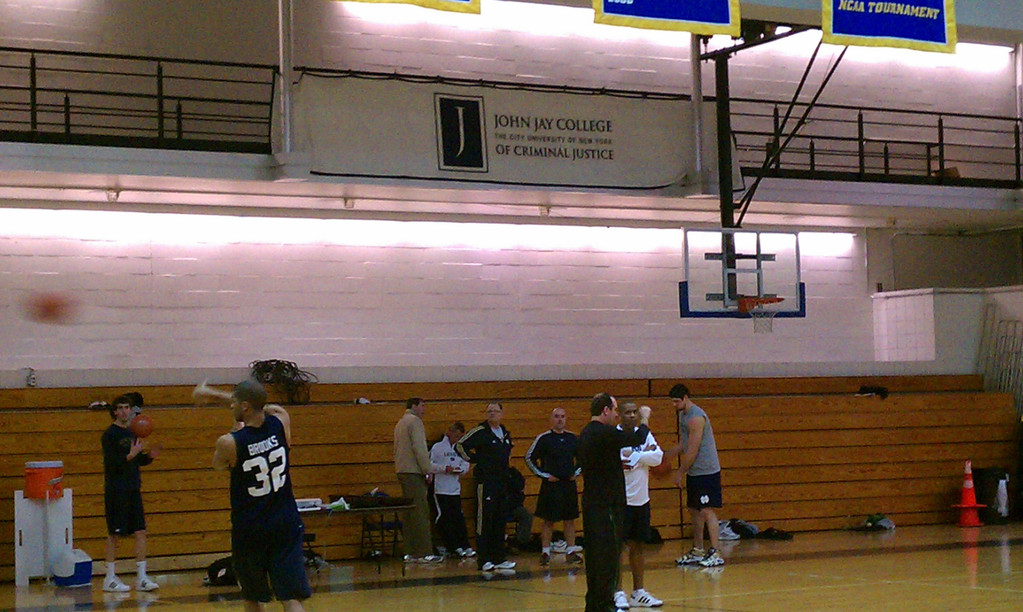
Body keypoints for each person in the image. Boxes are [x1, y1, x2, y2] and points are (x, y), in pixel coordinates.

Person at [198, 379, 312, 612]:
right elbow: (262, 406)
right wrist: (216, 396)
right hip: (285, 522)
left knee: (252, 598)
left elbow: (218, 465)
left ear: (245, 406)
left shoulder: (229, 442)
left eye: (234, 402)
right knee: (292, 598)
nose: (231, 405)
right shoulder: (281, 419)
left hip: (251, 528)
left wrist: (211, 396)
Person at [576, 393, 649, 612]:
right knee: (607, 558)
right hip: (606, 505)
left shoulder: (588, 433)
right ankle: (604, 604)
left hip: (593, 503)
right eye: (615, 410)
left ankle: (595, 604)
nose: (617, 415)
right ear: (605, 410)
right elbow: (637, 438)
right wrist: (644, 418)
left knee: (596, 558)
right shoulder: (602, 432)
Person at [101, 394, 160, 593]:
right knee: (114, 534)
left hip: (133, 488)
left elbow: (137, 460)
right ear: (115, 412)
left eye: (127, 407)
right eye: (121, 407)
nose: (125, 411)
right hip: (116, 490)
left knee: (140, 531)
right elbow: (112, 463)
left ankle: (141, 577)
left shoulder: (133, 432)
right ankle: (110, 578)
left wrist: (148, 457)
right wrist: (130, 455)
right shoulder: (109, 435)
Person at [664, 383, 725, 568]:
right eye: (672, 402)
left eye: (676, 401)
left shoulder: (696, 417)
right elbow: (684, 443)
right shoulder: (682, 415)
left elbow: (693, 449)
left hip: (706, 470)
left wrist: (679, 472)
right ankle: (698, 550)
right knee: (694, 509)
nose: (674, 405)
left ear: (685, 398)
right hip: (695, 470)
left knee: (706, 510)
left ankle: (716, 552)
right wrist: (665, 455)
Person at [456, 402, 516, 572]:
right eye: (489, 411)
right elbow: (460, 445)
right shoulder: (480, 431)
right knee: (485, 520)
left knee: (499, 519)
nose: (492, 414)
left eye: (495, 411)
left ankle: (499, 558)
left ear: (501, 414)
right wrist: (475, 459)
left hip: (502, 482)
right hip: (486, 482)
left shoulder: (505, 433)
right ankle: (484, 559)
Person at [614, 403, 664, 609]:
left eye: (635, 412)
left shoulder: (644, 434)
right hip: (621, 501)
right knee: (618, 548)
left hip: (642, 499)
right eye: (628, 412)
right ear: (619, 415)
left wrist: (637, 456)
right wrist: (645, 455)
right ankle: (617, 592)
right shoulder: (614, 436)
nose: (633, 415)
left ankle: (638, 592)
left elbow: (658, 457)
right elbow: (620, 461)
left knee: (638, 546)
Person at [525, 407, 582, 565]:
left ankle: (571, 551)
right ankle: (545, 553)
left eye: (562, 416)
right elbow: (529, 458)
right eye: (556, 416)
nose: (560, 419)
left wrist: (576, 472)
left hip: (568, 485)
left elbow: (583, 458)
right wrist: (544, 475)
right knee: (548, 520)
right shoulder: (544, 438)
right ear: (551, 419)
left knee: (569, 519)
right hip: (551, 486)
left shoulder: (572, 438)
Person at [393, 397, 444, 563]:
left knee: (409, 514)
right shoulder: (415, 422)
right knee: (421, 512)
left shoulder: (400, 422)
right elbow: (420, 448)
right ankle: (425, 552)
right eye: (422, 405)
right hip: (414, 472)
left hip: (402, 470)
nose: (424, 409)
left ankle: (410, 552)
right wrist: (427, 470)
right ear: (413, 406)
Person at [429, 421, 475, 558]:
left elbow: (466, 464)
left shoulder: (460, 448)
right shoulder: (437, 447)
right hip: (440, 489)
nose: (457, 438)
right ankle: (453, 546)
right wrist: (443, 468)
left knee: (458, 518)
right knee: (445, 518)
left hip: (454, 489)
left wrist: (460, 470)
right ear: (449, 432)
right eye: (455, 435)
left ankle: (465, 545)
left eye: (459, 436)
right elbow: (429, 465)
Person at [503, 466, 534, 553]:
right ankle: (505, 540)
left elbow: (520, 486)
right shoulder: (492, 473)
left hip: (513, 506)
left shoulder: (513, 472)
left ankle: (518, 543)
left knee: (526, 515)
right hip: (497, 507)